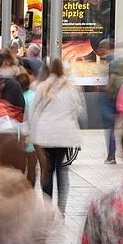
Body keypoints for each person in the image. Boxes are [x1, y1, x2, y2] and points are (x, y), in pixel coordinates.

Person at [29, 58, 86, 216]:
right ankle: (61, 210)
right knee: (62, 170)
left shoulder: (42, 87)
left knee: (47, 170)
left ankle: (48, 210)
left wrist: (32, 135)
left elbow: (35, 112)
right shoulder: (72, 87)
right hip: (65, 135)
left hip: (45, 135)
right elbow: (79, 110)